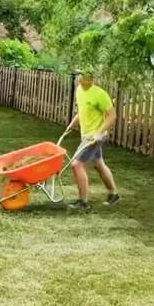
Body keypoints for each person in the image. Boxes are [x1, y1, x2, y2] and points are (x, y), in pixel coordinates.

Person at [63, 71, 120, 210]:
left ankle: (83, 202)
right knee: (98, 163)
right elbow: (82, 111)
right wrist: (72, 124)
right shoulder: (79, 90)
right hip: (85, 134)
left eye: (85, 79)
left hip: (94, 136)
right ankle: (114, 194)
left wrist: (99, 133)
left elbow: (112, 115)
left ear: (92, 80)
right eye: (81, 78)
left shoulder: (100, 94)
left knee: (76, 164)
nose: (82, 81)